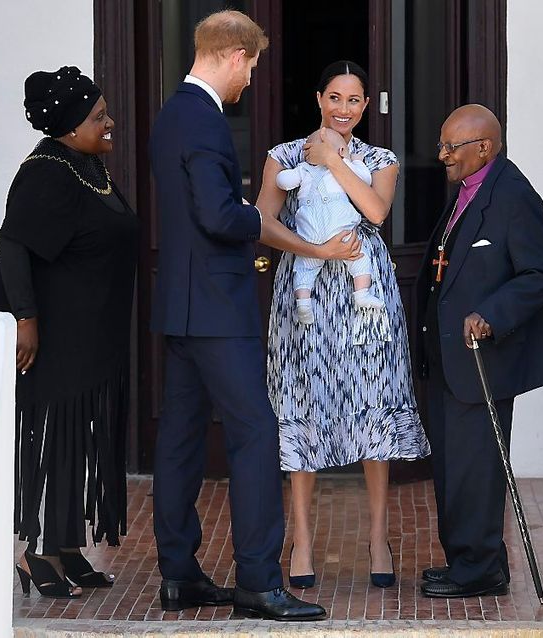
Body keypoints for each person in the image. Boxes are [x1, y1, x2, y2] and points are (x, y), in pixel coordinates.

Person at [149, 10, 356, 620]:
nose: (250, 81)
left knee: (181, 441)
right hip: (218, 308)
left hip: (181, 306)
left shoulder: (170, 115)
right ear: (236, 55)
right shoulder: (207, 121)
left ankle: (179, 575)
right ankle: (260, 582)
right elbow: (217, 216)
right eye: (253, 66)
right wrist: (257, 217)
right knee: (256, 434)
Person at [256, 60, 430, 591]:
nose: (344, 110)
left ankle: (379, 537)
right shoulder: (283, 157)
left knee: (373, 399)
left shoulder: (381, 158)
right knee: (303, 403)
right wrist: (314, 248)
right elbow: (260, 222)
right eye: (335, 98)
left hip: (364, 293)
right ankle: (302, 540)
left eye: (354, 101)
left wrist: (333, 159)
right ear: (318, 98)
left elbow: (375, 212)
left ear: (366, 105)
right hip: (305, 287)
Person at [0, 66, 137, 599]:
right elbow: (13, 245)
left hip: (94, 334)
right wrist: (25, 320)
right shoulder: (47, 170)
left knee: (81, 442)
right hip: (58, 338)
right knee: (57, 440)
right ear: (70, 125)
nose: (109, 121)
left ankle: (67, 545)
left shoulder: (86, 165)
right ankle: (38, 552)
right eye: (99, 116)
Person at [415, 104, 543, 598]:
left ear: (485, 147)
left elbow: (542, 272)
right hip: (448, 359)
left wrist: (493, 315)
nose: (442, 156)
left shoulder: (514, 196)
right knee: (453, 466)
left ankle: (478, 570)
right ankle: (469, 559)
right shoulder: (467, 191)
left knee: (476, 468)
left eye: (451, 147)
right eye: (442, 145)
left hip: (484, 358)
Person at [276, 126, 384, 324]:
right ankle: (361, 294)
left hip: (311, 230)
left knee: (304, 267)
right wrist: (356, 162)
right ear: (342, 151)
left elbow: (283, 181)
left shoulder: (303, 169)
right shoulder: (345, 165)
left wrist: (285, 174)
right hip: (339, 225)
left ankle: (303, 303)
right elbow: (366, 178)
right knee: (359, 258)